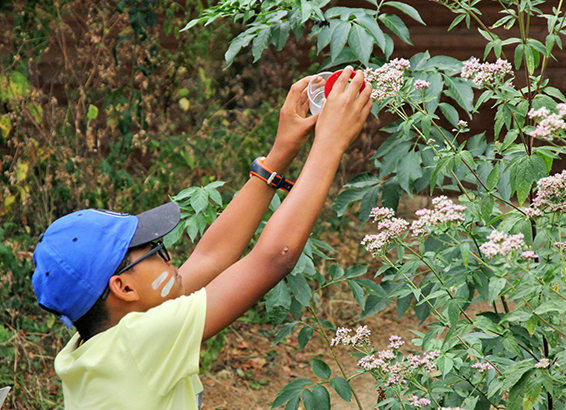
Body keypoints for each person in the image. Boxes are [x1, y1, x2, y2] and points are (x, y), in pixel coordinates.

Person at [32, 66, 372, 409]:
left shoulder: (93, 345)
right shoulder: (139, 342)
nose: (169, 258)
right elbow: (274, 258)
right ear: (123, 287)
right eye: (155, 250)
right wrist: (330, 144)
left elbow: (210, 258)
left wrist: (280, 153)